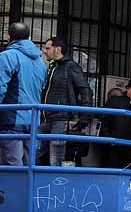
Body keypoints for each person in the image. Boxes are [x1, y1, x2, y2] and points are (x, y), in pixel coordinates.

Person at [0, 23, 47, 166]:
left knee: (11, 168)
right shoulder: (40, 62)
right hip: (32, 121)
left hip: (10, 119)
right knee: (28, 168)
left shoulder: (7, 56)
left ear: (8, 38)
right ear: (29, 37)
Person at [40, 37, 93, 166]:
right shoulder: (53, 67)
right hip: (46, 117)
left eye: (47, 48)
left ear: (57, 49)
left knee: (56, 159)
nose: (44, 51)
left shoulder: (70, 66)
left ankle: (57, 185)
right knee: (40, 156)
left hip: (60, 118)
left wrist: (85, 116)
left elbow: (85, 89)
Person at [101, 78, 131, 169]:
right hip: (114, 144)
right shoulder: (114, 100)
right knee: (112, 170)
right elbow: (105, 119)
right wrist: (108, 137)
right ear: (127, 88)